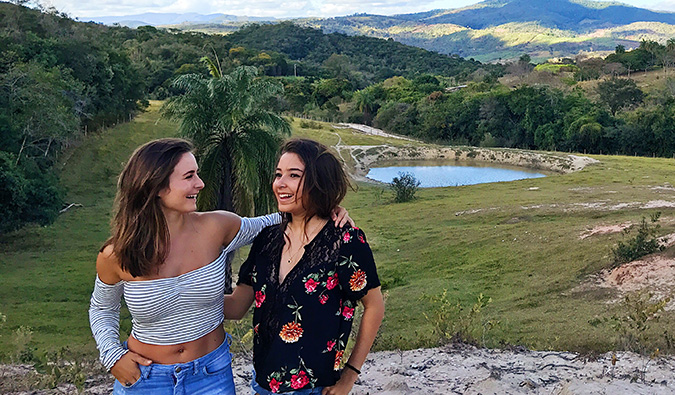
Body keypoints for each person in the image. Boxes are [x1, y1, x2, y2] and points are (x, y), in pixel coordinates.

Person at [89, 138, 352, 394]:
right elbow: (102, 308)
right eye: (189, 176)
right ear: (156, 185)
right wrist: (112, 356)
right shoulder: (116, 254)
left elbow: (278, 221)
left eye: (198, 174)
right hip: (145, 378)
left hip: (211, 375)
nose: (200, 184)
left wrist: (326, 210)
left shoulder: (217, 227)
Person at [225, 138, 385, 395]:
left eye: (294, 175)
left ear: (319, 181)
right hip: (263, 385)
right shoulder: (267, 239)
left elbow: (374, 306)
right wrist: (181, 294)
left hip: (316, 388)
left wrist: (349, 376)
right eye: (278, 175)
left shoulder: (345, 239)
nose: (280, 184)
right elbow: (236, 306)